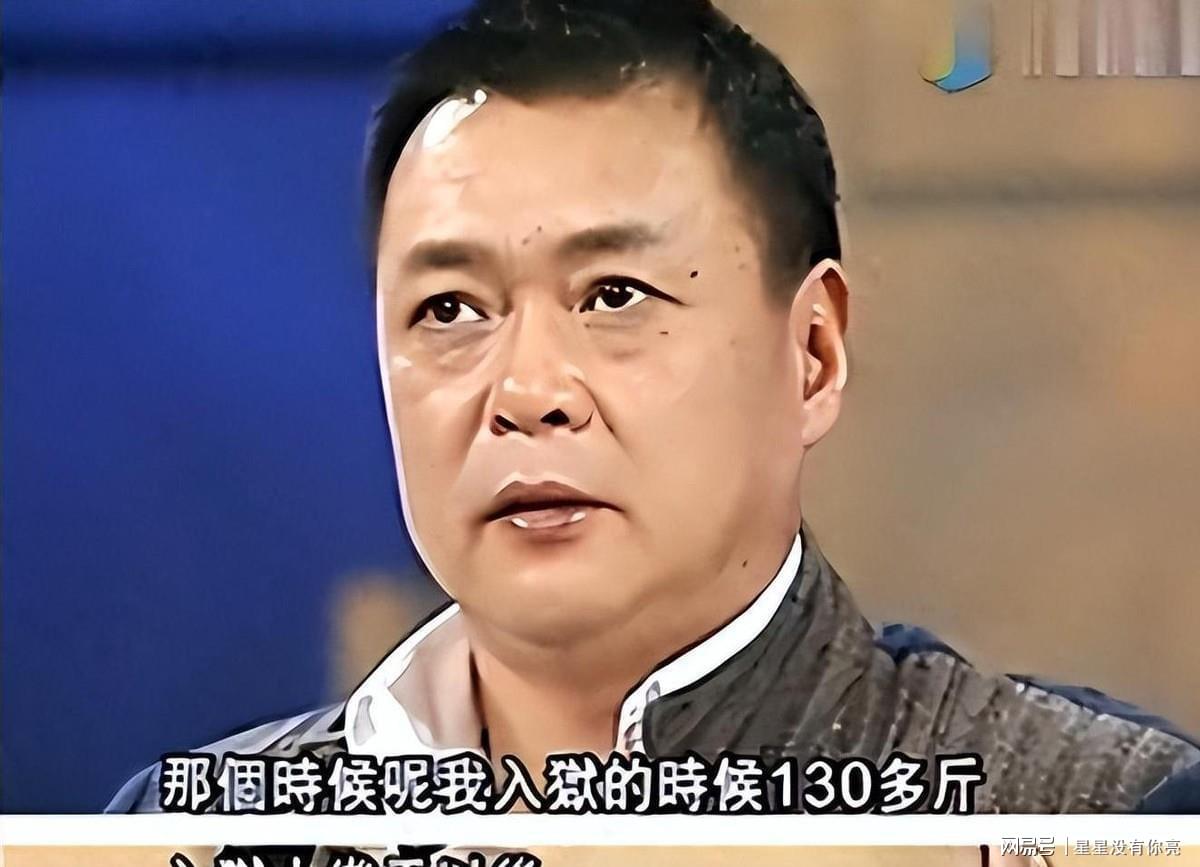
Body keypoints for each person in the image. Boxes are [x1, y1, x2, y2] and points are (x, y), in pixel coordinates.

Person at [109, 0, 1198, 814]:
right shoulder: (197, 830)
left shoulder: (1085, 816)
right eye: (450, 309)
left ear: (813, 354)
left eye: (615, 296)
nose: (528, 395)